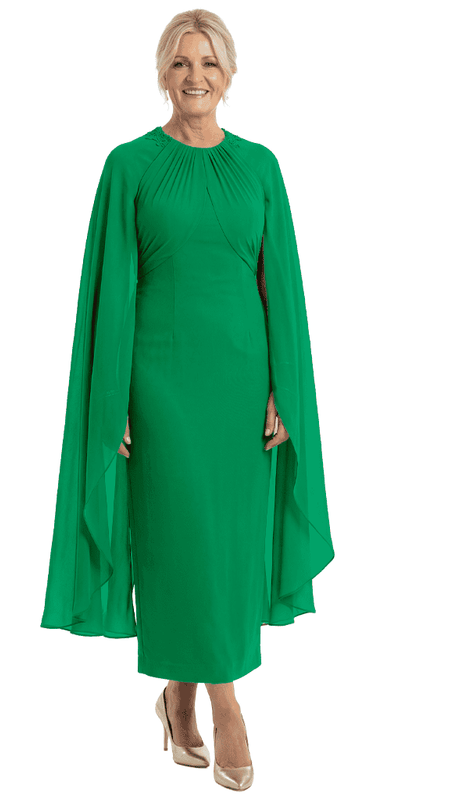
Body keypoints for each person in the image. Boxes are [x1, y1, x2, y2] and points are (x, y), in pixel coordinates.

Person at [40, 9, 335, 792]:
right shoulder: (129, 166)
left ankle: (179, 695)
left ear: (230, 75)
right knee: (176, 541)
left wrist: (284, 387)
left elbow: (283, 288)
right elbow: (111, 290)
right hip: (159, 386)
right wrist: (114, 400)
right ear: (162, 75)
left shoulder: (261, 166)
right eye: (180, 62)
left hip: (241, 387)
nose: (194, 76)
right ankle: (225, 701)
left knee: (228, 547)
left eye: (208, 63)